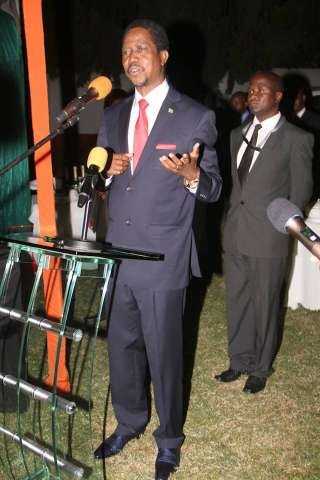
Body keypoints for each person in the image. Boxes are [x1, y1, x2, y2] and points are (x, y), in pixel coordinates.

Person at [93, 18, 222, 479]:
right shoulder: (111, 115)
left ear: (163, 56)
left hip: (164, 257)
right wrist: (107, 171)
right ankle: (129, 421)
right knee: (122, 347)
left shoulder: (194, 116)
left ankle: (169, 440)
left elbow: (212, 188)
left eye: (142, 48)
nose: (132, 58)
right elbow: (103, 180)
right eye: (126, 50)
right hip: (120, 254)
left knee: (165, 353)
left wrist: (191, 175)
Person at [215, 71, 313, 394]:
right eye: (251, 88)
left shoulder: (297, 139)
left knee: (266, 303)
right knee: (237, 299)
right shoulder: (235, 135)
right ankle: (238, 360)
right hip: (236, 234)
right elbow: (237, 189)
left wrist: (282, 227)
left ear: (278, 96)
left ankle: (260, 366)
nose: (253, 93)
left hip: (269, 236)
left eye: (262, 89)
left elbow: (300, 193)